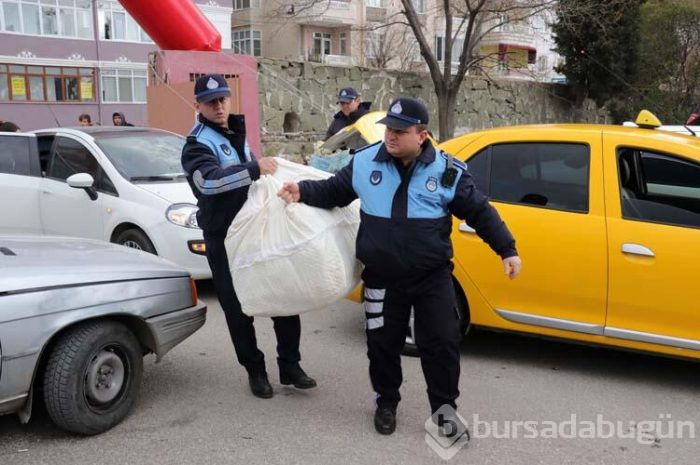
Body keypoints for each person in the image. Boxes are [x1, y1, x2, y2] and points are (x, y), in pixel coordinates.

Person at [279, 97, 522, 437]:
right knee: (382, 345)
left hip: (432, 279)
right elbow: (334, 191)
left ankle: (445, 412)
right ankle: (386, 403)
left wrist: (506, 249)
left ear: (422, 135)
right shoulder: (365, 163)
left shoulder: (447, 171)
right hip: (381, 278)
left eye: (400, 131)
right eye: (388, 129)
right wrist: (301, 191)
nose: (390, 136)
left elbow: (479, 211)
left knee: (442, 344)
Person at [181, 74, 316, 399]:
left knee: (283, 295)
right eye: (211, 101)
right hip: (224, 237)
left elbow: (253, 180)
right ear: (198, 105)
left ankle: (290, 366)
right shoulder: (196, 143)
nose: (219, 105)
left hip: (254, 230)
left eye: (223, 99)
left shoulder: (233, 133)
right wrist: (254, 169)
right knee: (237, 308)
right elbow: (208, 184)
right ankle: (255, 370)